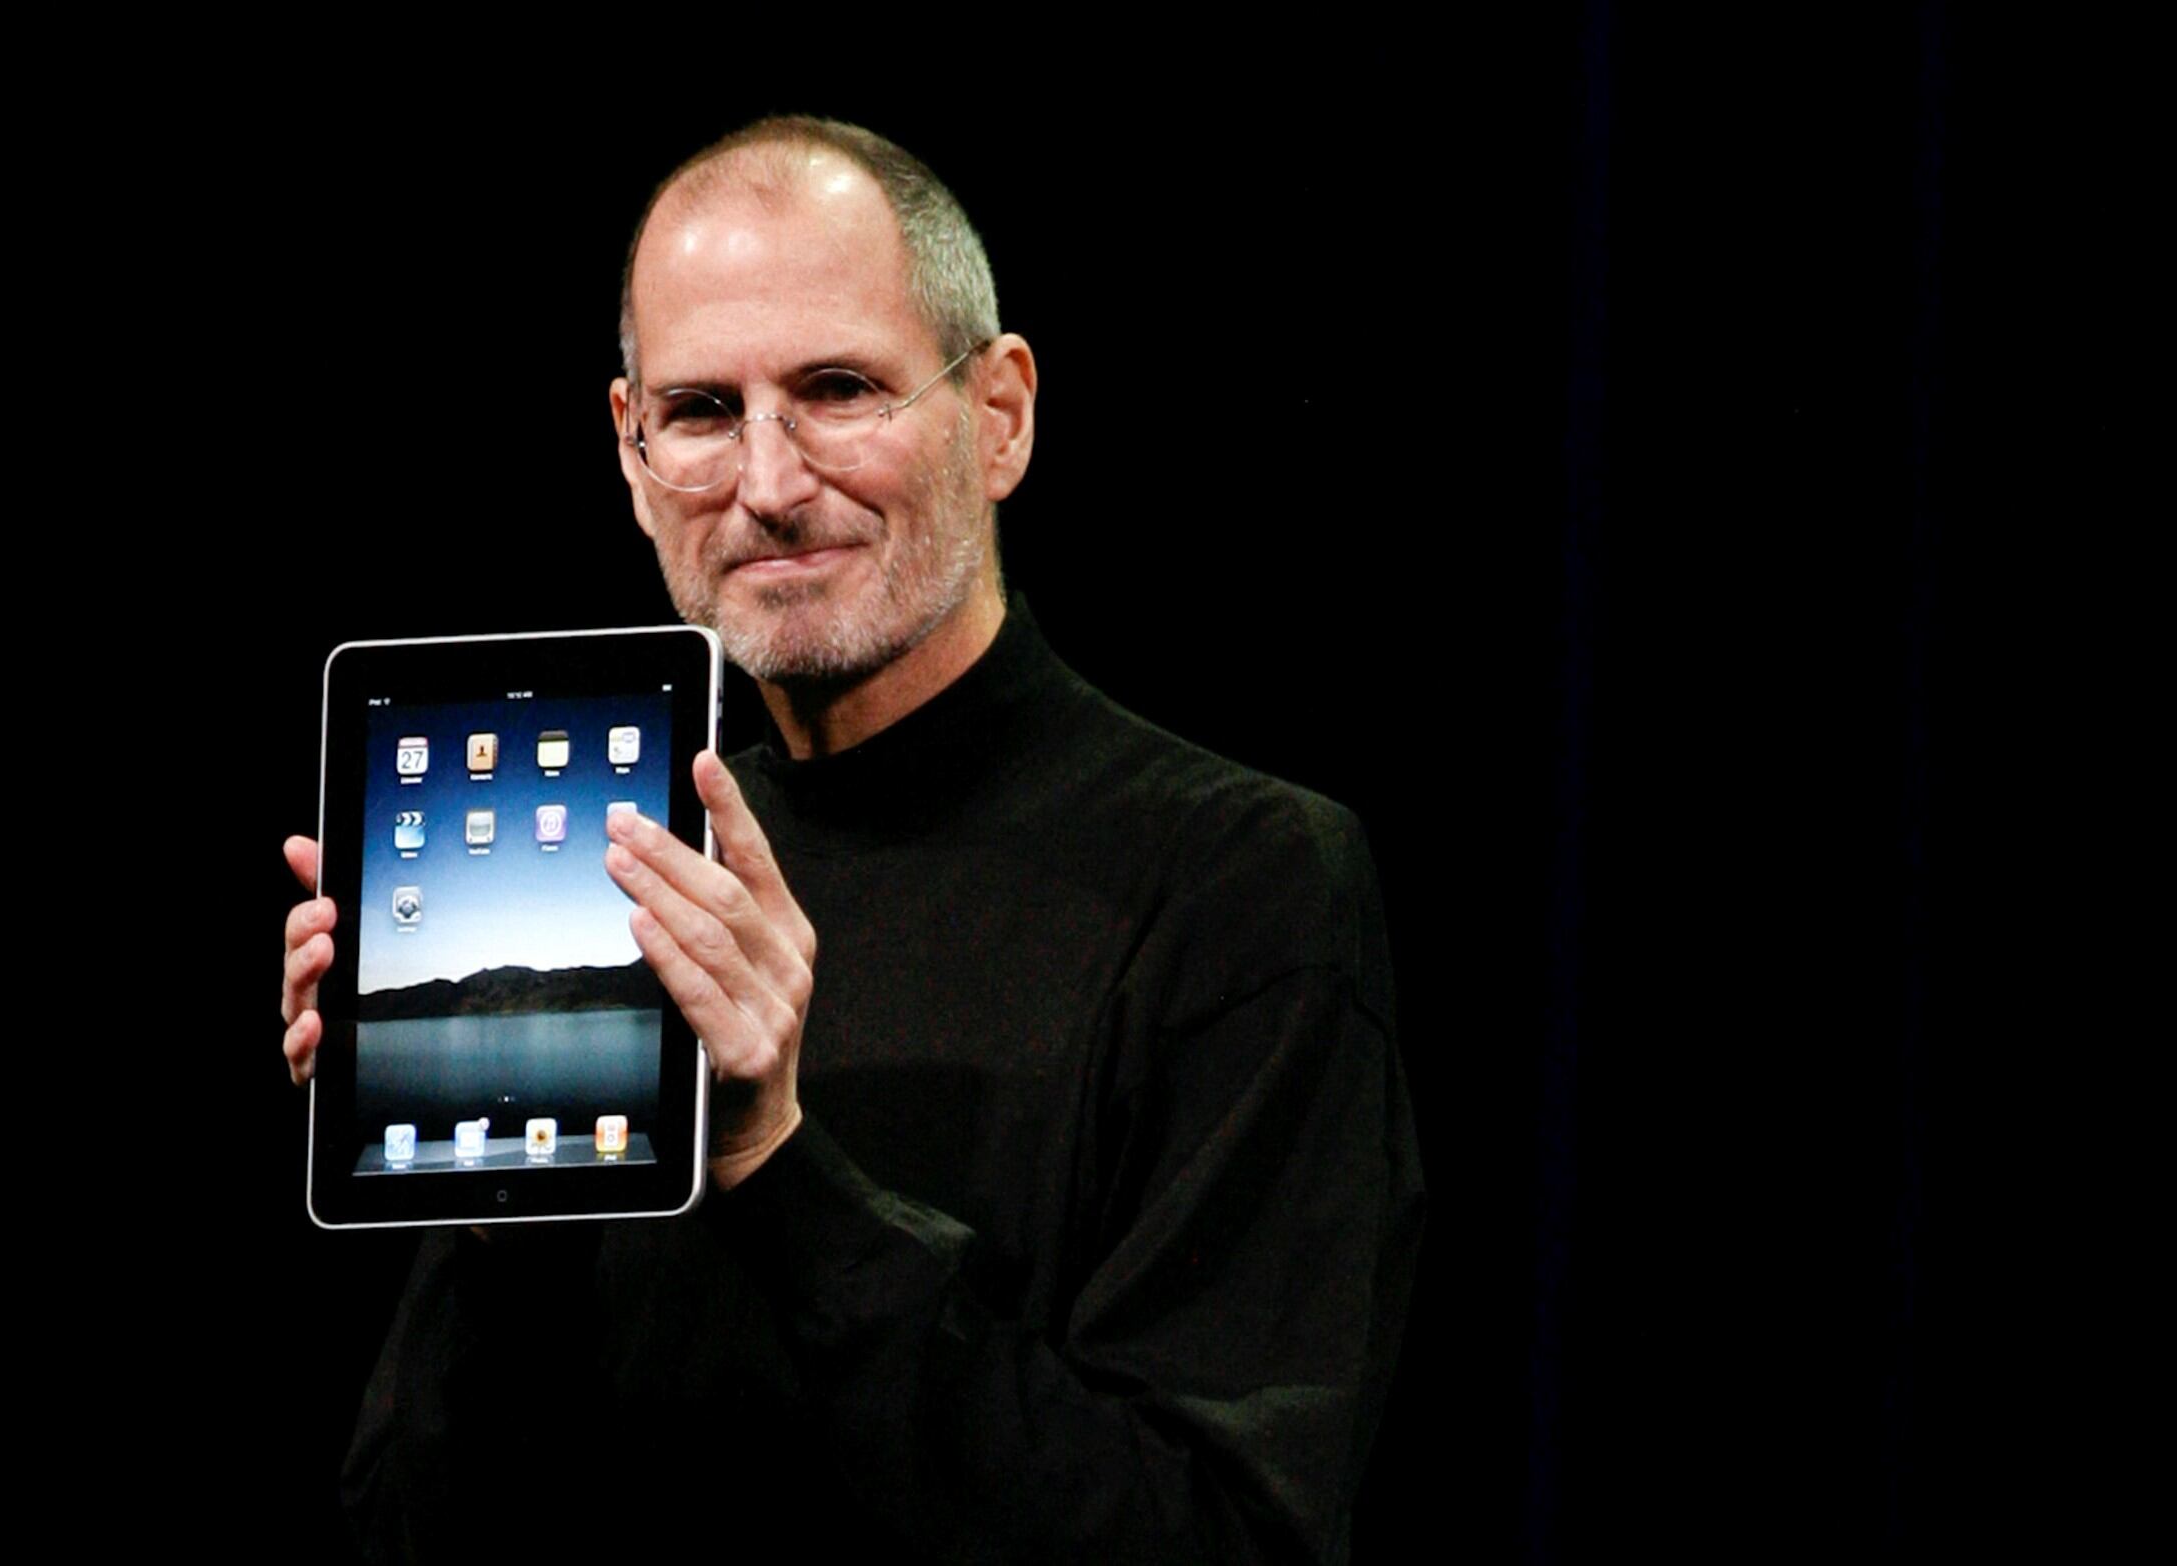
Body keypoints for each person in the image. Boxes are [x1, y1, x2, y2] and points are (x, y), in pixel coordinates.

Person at [280, 117, 1422, 1563]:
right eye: (703, 411)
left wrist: (773, 1159)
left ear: (999, 414)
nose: (767, 484)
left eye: (837, 390)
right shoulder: (639, 874)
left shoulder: (1240, 882)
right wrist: (491, 1197)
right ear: (631, 451)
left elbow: (1220, 1537)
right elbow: (407, 1528)